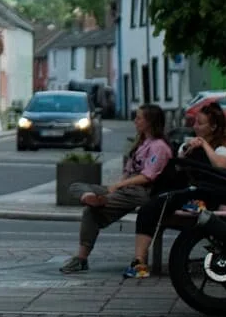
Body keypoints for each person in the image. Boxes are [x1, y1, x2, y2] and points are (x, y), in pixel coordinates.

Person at [118, 102, 226, 279]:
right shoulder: (189, 144)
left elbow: (221, 166)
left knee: (196, 164)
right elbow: (177, 172)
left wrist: (203, 145)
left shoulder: (220, 148)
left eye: (200, 124)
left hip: (207, 193)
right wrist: (187, 150)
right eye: (194, 123)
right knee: (149, 208)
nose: (195, 127)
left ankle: (193, 202)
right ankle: (139, 263)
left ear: (213, 126)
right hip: (183, 193)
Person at [61, 104, 172, 276]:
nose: (135, 121)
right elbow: (127, 172)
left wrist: (118, 187)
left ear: (150, 122)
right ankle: (92, 197)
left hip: (141, 192)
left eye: (139, 118)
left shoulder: (159, 147)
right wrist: (115, 187)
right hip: (126, 189)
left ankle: (81, 258)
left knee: (91, 211)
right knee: (76, 187)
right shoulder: (141, 143)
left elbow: (147, 176)